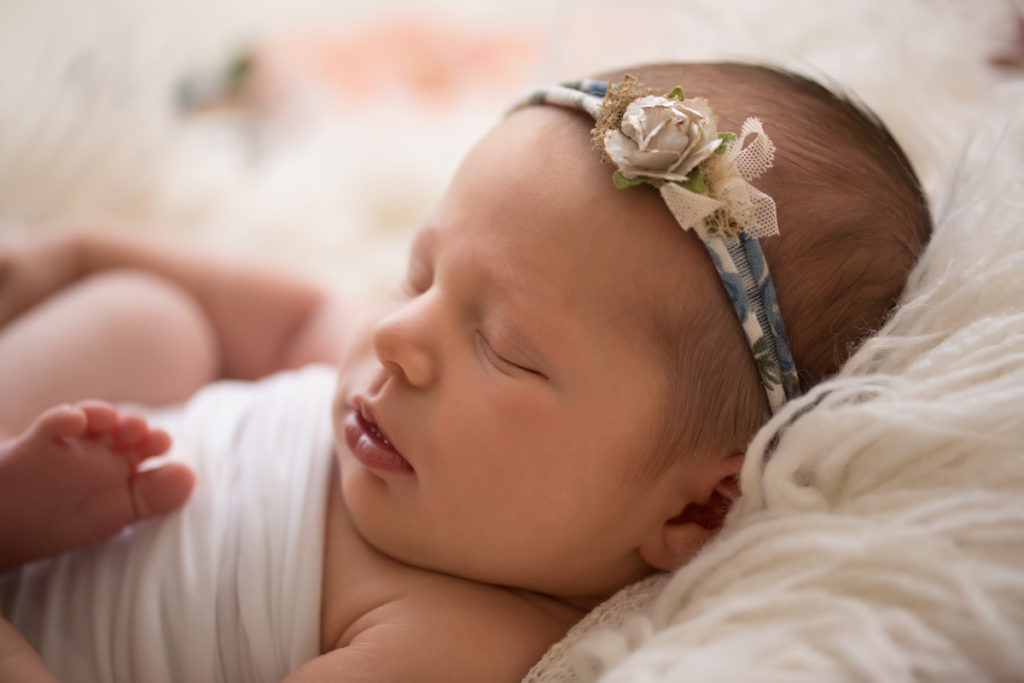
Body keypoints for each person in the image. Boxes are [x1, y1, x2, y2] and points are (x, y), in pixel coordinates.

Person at [0, 61, 931, 682]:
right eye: (420, 273)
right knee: (147, 318)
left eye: (506, 350)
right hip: (52, 470)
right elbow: (260, 305)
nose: (401, 333)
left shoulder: (454, 641)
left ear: (696, 509)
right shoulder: (377, 367)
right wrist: (63, 259)